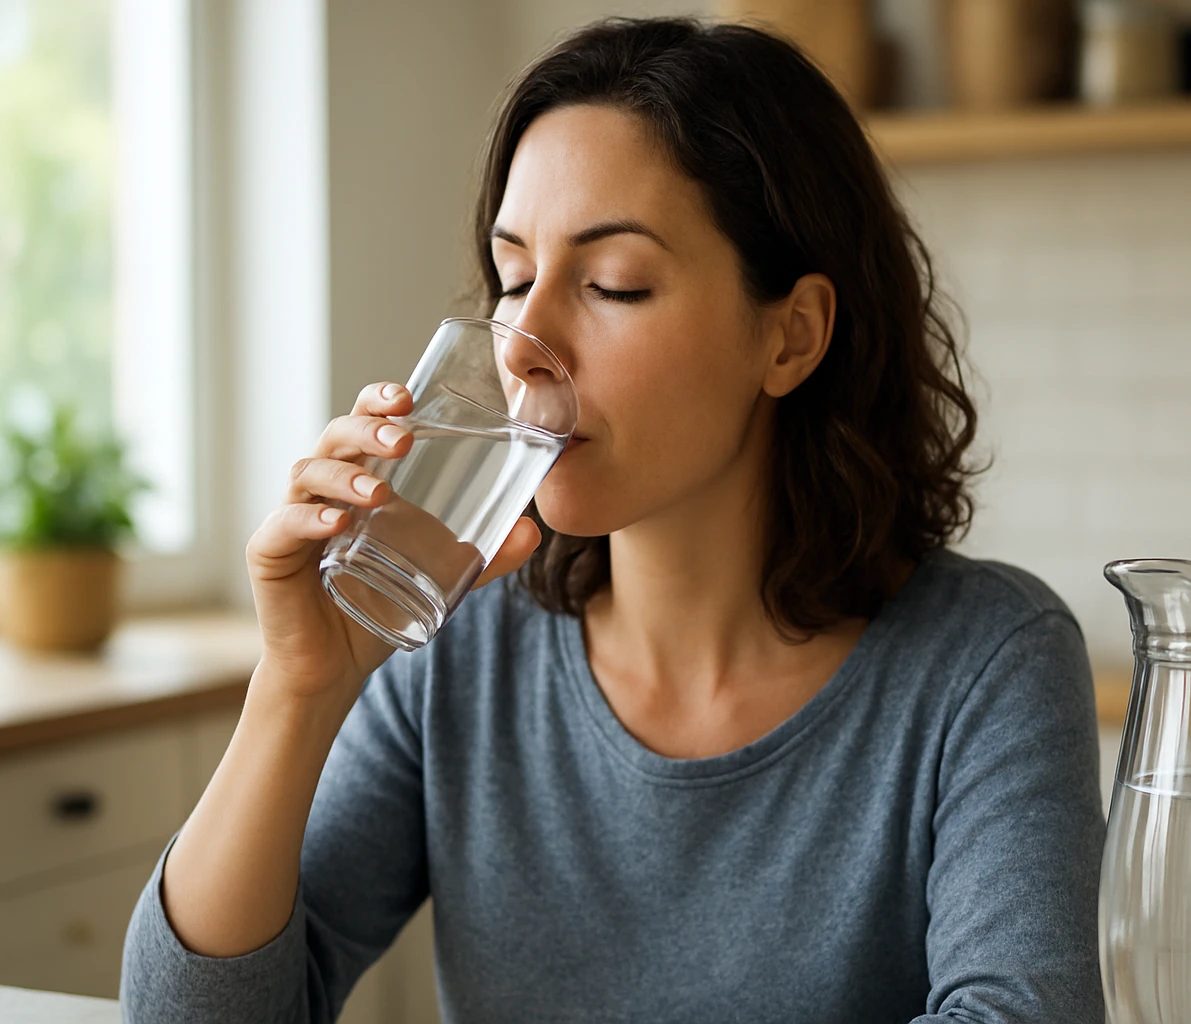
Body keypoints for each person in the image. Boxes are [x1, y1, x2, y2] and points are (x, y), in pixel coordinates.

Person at [121, 17, 1104, 1023]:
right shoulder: (456, 649)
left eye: (611, 284)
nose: (526, 341)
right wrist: (296, 688)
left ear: (792, 336)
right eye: (512, 278)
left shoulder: (988, 663)